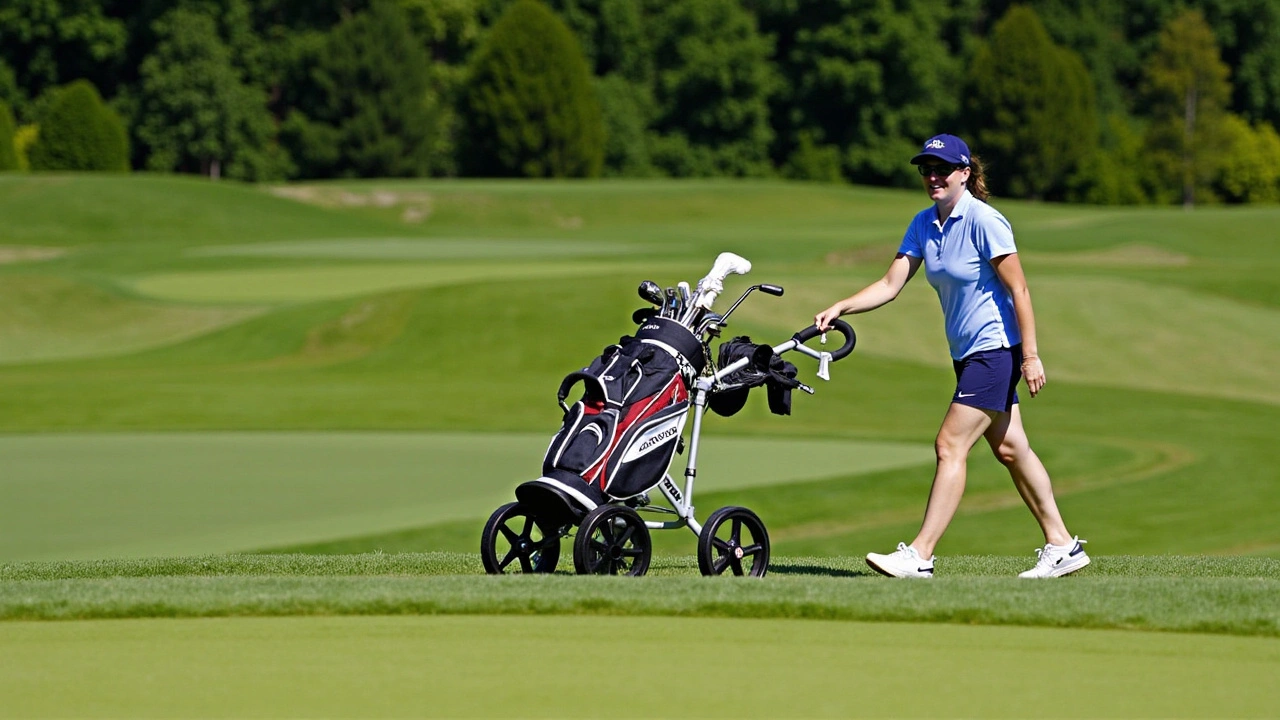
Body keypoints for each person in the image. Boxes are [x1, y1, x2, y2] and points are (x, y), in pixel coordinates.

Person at [814, 133, 1090, 579]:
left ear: (965, 173)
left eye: (943, 169)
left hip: (995, 348)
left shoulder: (985, 221)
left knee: (950, 444)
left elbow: (1019, 288)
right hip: (967, 353)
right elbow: (890, 284)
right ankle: (1062, 544)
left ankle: (920, 554)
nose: (933, 177)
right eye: (926, 169)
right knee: (1010, 448)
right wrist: (842, 305)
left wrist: (1031, 356)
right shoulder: (924, 223)